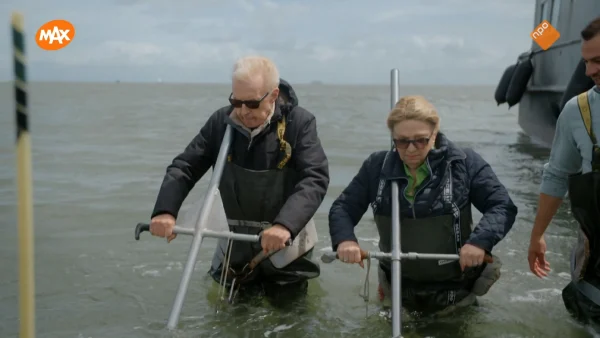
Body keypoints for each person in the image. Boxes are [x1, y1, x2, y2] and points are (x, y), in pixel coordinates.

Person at [148, 55, 329, 304]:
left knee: (289, 316)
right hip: (235, 243)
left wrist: (284, 225)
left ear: (273, 95)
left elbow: (314, 177)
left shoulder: (300, 123)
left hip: (286, 245)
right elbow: (185, 166)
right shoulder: (221, 122)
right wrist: (165, 211)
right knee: (231, 317)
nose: (243, 111)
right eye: (236, 101)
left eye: (252, 103)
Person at [328, 95, 517, 315]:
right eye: (402, 141)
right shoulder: (375, 167)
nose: (410, 149)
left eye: (420, 140)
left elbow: (501, 205)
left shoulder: (465, 163)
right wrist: (345, 240)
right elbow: (343, 208)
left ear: (434, 134)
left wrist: (480, 242)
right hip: (396, 288)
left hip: (455, 290)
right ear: (393, 137)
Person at [528, 16, 600, 330]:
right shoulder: (578, 110)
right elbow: (557, 175)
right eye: (585, 62)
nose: (589, 72)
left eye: (598, 61)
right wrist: (537, 235)